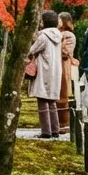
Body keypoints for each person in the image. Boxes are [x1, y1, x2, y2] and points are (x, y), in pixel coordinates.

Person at [28, 11, 63, 139]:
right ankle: (55, 129)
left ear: (44, 22)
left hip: (44, 70)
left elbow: (31, 50)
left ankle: (46, 131)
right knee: (52, 101)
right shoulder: (58, 36)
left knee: (42, 100)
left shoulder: (43, 36)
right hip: (55, 70)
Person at [57, 11, 76, 134]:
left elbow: (65, 53)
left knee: (62, 94)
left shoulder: (68, 35)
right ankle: (58, 122)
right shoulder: (58, 34)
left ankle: (64, 123)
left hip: (63, 66)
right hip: (57, 65)